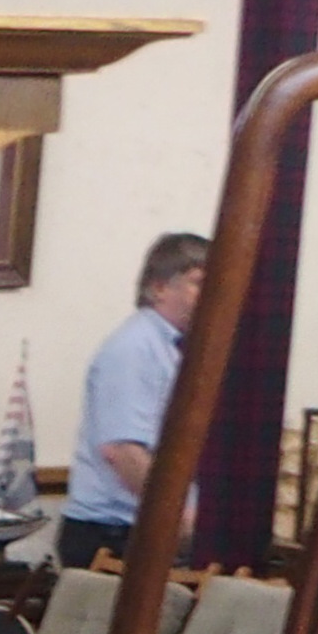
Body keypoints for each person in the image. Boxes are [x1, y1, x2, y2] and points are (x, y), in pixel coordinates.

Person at [60, 231, 209, 565]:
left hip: (140, 529)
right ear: (158, 288)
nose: (212, 295)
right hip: (114, 536)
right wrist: (179, 518)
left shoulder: (177, 348)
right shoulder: (135, 348)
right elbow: (124, 452)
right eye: (199, 282)